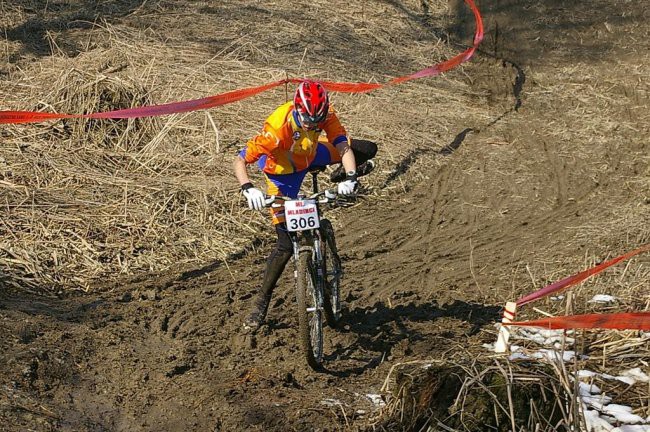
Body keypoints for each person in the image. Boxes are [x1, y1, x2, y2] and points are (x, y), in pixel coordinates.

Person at [234, 79, 377, 333]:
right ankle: (261, 302)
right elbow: (240, 160)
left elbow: (342, 145)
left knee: (366, 149)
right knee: (285, 245)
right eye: (307, 120)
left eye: (317, 121)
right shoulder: (277, 128)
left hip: (310, 155)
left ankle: (341, 176)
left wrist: (351, 177)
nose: (312, 125)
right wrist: (248, 188)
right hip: (281, 176)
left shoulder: (325, 115)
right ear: (297, 108)